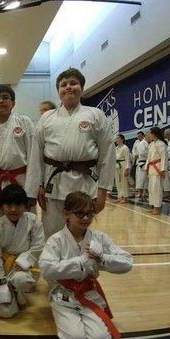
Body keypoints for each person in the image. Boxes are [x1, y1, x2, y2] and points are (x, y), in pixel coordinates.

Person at [39, 191, 133, 339]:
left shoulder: (99, 238)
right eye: (80, 214)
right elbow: (46, 269)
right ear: (66, 213)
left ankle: (84, 318)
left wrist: (102, 259)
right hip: (63, 294)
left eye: (90, 214)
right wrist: (81, 261)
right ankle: (62, 314)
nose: (85, 218)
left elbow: (128, 262)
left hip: (89, 294)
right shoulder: (56, 240)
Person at [37, 68, 115, 239]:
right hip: (54, 183)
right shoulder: (47, 117)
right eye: (63, 85)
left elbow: (107, 154)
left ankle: (80, 264)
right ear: (58, 91)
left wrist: (102, 192)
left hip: (85, 185)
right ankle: (53, 265)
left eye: (73, 83)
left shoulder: (95, 115)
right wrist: (39, 185)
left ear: (82, 88)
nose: (68, 87)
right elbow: (37, 155)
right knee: (51, 232)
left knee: (81, 232)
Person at [0, 85, 40, 222]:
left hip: (23, 182)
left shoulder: (24, 122)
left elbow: (34, 156)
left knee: (26, 225)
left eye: (6, 98)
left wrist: (31, 192)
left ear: (13, 103)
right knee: (0, 226)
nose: (1, 101)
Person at [0, 184, 44, 318]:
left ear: (25, 205)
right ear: (2, 206)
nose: (13, 209)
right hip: (3, 268)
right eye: (8, 205)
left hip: (24, 267)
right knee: (6, 312)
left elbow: (38, 246)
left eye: (18, 205)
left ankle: (16, 289)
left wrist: (23, 261)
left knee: (22, 280)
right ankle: (7, 289)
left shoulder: (33, 221)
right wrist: (1, 282)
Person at [145, 127, 168, 215]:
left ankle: (158, 207)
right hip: (151, 168)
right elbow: (149, 157)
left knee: (157, 188)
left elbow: (164, 157)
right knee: (152, 188)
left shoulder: (161, 144)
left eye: (150, 133)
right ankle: (154, 206)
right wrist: (146, 166)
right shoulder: (151, 144)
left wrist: (163, 169)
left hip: (158, 168)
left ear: (154, 134)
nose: (149, 135)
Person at [114, 134, 130, 203]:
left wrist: (127, 169)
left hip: (123, 165)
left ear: (122, 139)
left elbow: (127, 159)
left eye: (118, 138)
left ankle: (125, 197)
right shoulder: (116, 148)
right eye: (116, 138)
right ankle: (120, 196)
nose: (116, 140)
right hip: (116, 165)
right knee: (118, 181)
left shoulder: (125, 148)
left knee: (124, 181)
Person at [133, 132, 149, 199]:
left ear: (143, 136)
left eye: (140, 136)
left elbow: (145, 152)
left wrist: (139, 154)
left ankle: (143, 192)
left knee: (143, 178)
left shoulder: (144, 142)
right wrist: (136, 154)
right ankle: (141, 192)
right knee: (140, 178)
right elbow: (134, 151)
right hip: (139, 162)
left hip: (144, 162)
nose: (138, 137)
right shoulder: (137, 142)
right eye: (137, 136)